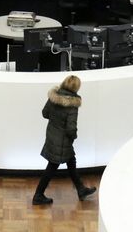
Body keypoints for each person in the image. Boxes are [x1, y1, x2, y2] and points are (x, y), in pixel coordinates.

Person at [32, 75, 96, 205]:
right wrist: (74, 137)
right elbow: (71, 129)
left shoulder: (54, 97)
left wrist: (56, 119)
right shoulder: (73, 104)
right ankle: (38, 195)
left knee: (71, 161)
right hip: (63, 140)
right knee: (52, 166)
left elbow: (45, 113)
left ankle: (81, 189)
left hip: (52, 135)